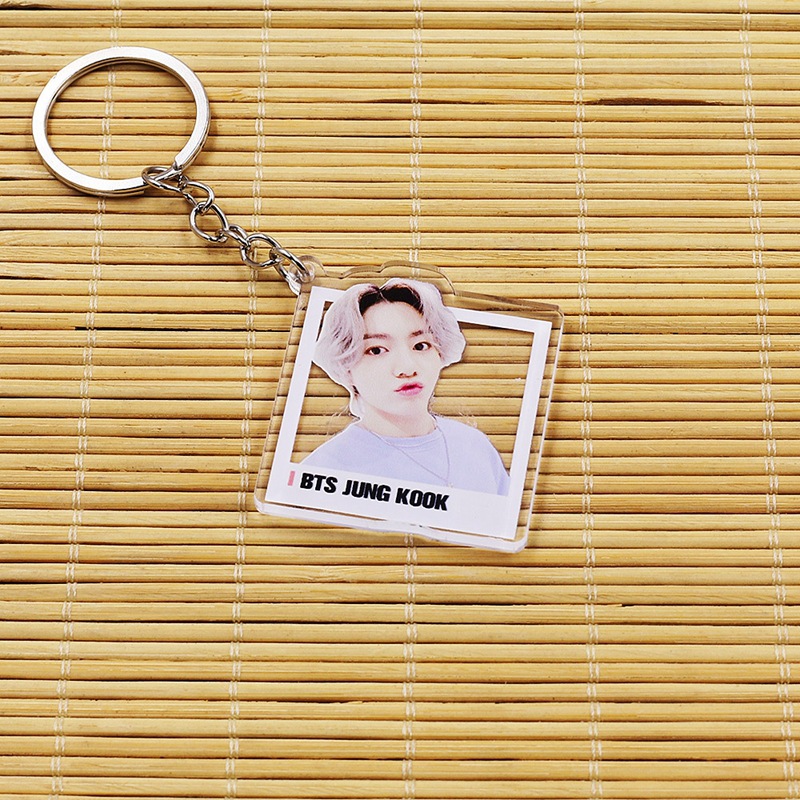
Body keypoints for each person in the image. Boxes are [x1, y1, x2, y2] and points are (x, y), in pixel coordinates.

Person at [303, 278, 510, 495]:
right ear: (345, 366)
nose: (407, 368)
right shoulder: (323, 471)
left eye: (420, 346)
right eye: (376, 350)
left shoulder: (475, 446)